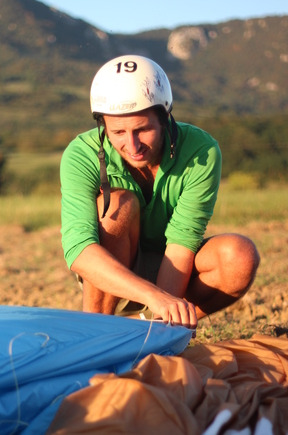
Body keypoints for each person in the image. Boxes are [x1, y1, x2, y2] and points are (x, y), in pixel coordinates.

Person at [60, 55, 259, 331]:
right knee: (119, 204)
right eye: (117, 132)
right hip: (115, 259)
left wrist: (162, 318)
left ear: (165, 118)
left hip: (176, 263)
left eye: (142, 130)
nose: (132, 145)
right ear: (102, 124)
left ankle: (153, 329)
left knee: (240, 256)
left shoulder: (202, 151)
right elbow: (79, 249)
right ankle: (96, 331)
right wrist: (154, 296)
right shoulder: (80, 154)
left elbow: (181, 244)